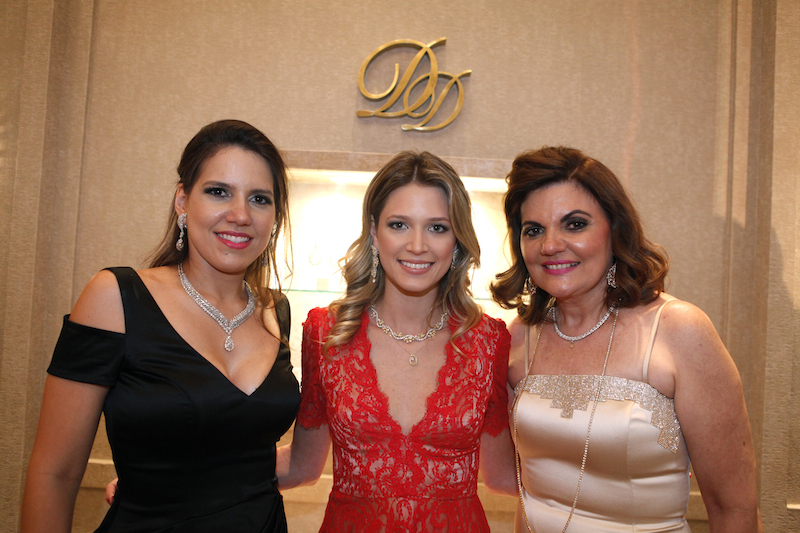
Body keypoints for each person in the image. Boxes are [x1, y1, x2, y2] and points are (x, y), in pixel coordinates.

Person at [21, 119, 300, 533]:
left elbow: (242, 454)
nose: (240, 214)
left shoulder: (276, 312)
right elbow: (54, 474)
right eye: (218, 191)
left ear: (274, 217)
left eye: (259, 199)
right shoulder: (116, 297)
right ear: (182, 201)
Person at [490, 146, 762, 532]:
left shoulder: (677, 330)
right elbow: (519, 486)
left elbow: (733, 508)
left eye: (575, 224)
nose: (550, 245)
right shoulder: (520, 336)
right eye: (533, 230)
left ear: (615, 231)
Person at [276, 151, 516, 532]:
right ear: (374, 231)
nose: (417, 245)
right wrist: (201, 467)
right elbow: (303, 466)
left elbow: (503, 475)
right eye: (399, 224)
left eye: (437, 227)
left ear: (457, 239)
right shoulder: (327, 333)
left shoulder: (487, 341)